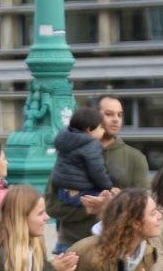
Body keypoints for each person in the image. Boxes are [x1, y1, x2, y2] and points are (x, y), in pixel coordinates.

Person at [45, 95, 151, 252]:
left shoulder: (135, 158)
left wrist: (108, 206)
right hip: (72, 245)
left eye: (119, 115)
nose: (116, 119)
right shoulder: (69, 153)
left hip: (117, 246)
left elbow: (144, 208)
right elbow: (51, 205)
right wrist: (87, 209)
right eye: (109, 114)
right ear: (94, 116)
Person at [52, 106, 114, 207]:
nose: (103, 131)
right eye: (101, 127)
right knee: (115, 201)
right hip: (83, 194)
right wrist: (109, 187)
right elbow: (97, 172)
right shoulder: (92, 145)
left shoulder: (65, 139)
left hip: (62, 193)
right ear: (90, 129)